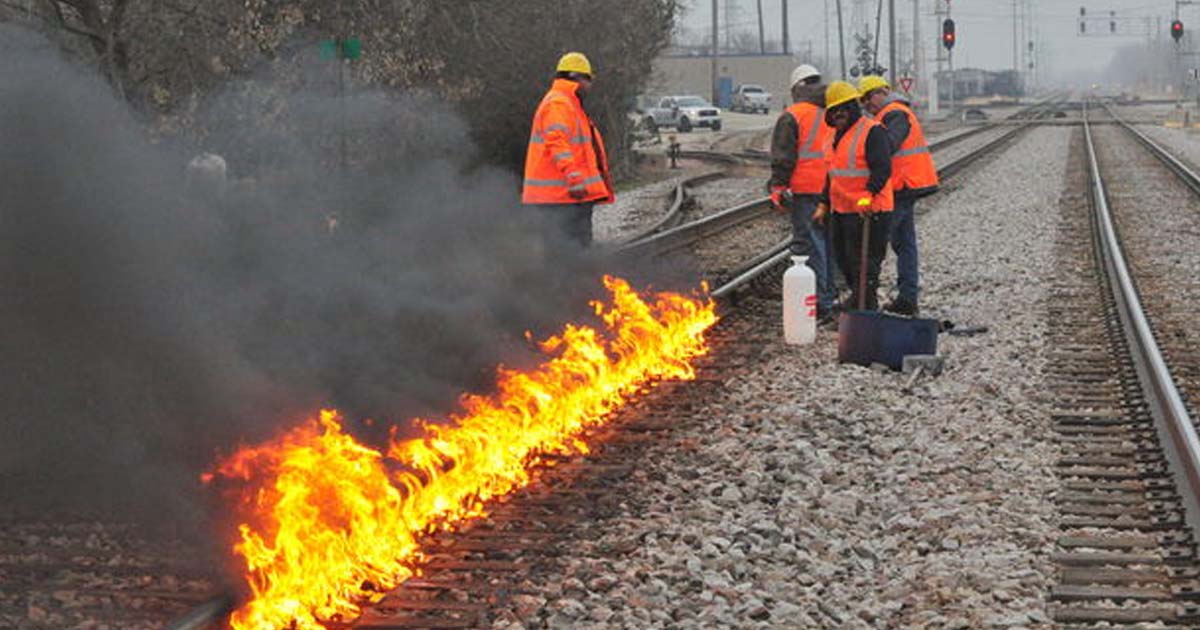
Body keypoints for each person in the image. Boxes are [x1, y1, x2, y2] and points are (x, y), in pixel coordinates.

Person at [858, 76, 939, 316]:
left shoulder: (894, 113)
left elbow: (888, 146)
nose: (866, 106)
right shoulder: (892, 113)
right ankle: (907, 298)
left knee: (877, 242)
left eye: (867, 99)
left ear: (879, 93)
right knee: (904, 244)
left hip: (902, 185)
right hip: (905, 185)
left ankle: (865, 298)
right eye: (862, 102)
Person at [521, 52, 614, 247]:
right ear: (577, 78)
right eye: (589, 80)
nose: (591, 86)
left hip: (566, 196)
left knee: (572, 252)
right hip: (561, 196)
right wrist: (574, 177)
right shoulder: (559, 104)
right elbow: (557, 142)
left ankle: (575, 278)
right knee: (567, 252)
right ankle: (570, 278)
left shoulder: (569, 104)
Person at [768, 64, 836, 323]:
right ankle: (828, 297)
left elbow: (784, 156)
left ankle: (819, 303)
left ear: (797, 88)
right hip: (833, 189)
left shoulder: (793, 115)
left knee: (812, 246)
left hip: (807, 189)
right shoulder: (832, 109)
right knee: (829, 246)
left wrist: (778, 186)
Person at [820, 81, 893, 311]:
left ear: (852, 107)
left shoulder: (872, 131)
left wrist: (868, 194)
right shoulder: (833, 137)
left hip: (871, 210)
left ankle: (866, 307)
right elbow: (832, 174)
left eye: (843, 108)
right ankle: (858, 299)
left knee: (865, 262)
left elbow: (882, 168)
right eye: (834, 110)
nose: (839, 114)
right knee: (844, 260)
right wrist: (824, 202)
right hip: (842, 210)